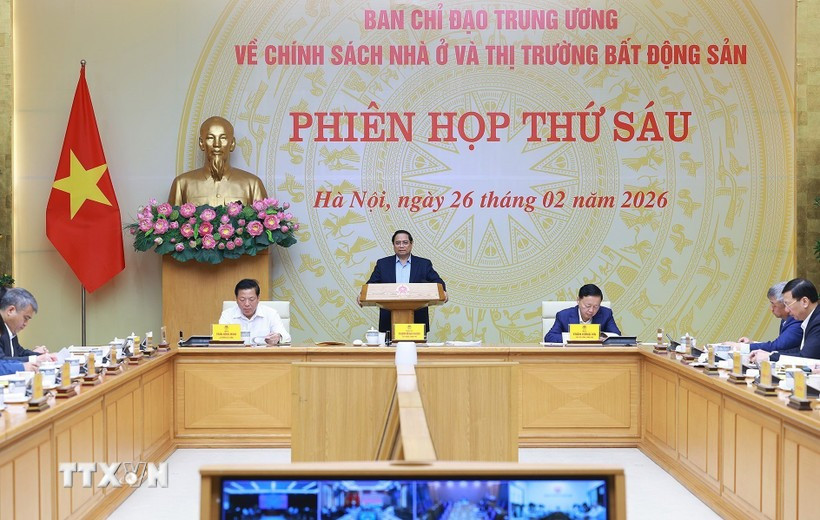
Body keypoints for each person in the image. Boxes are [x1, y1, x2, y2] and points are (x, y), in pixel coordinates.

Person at [358, 230, 447, 333]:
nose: (401, 246)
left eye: (405, 242)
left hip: (417, 320)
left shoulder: (423, 264)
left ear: (411, 244)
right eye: (398, 243)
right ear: (393, 245)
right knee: (390, 349)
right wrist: (361, 294)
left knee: (416, 349)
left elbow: (438, 282)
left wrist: (443, 291)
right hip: (388, 321)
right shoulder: (383, 264)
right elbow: (371, 285)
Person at [168, 116, 267, 206]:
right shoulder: (182, 184)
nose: (217, 144)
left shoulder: (253, 185)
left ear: (232, 144)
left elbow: (264, 222)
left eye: (223, 138)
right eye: (210, 138)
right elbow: (172, 223)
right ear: (201, 143)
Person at [750, 278, 820, 363]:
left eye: (788, 304)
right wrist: (770, 354)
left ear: (804, 302)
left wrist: (770, 357)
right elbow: (800, 351)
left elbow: (806, 358)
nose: (786, 310)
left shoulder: (817, 322)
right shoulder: (812, 318)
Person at [723, 281, 802, 353]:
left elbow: (778, 346)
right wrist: (752, 343)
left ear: (785, 303)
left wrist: (741, 347)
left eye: (774, 304)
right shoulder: (785, 319)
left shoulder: (796, 319)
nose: (771, 308)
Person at [219, 279, 290, 345]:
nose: (247, 304)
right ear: (236, 299)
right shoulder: (227, 315)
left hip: (263, 356)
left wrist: (278, 337)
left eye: (251, 299)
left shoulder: (271, 314)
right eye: (242, 299)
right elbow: (218, 338)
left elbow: (286, 337)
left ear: (258, 298)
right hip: (236, 356)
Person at [544, 284, 621, 343]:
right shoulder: (563, 315)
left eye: (596, 306)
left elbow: (616, 336)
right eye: (588, 306)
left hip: (597, 357)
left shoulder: (606, 314)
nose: (591, 310)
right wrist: (575, 336)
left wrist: (603, 337)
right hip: (572, 357)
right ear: (578, 300)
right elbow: (549, 337)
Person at [0, 288, 57, 363]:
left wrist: (40, 355)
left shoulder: (10, 330)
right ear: (11, 310)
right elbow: (2, 362)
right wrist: (36, 359)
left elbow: (20, 353)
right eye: (25, 318)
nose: (26, 324)